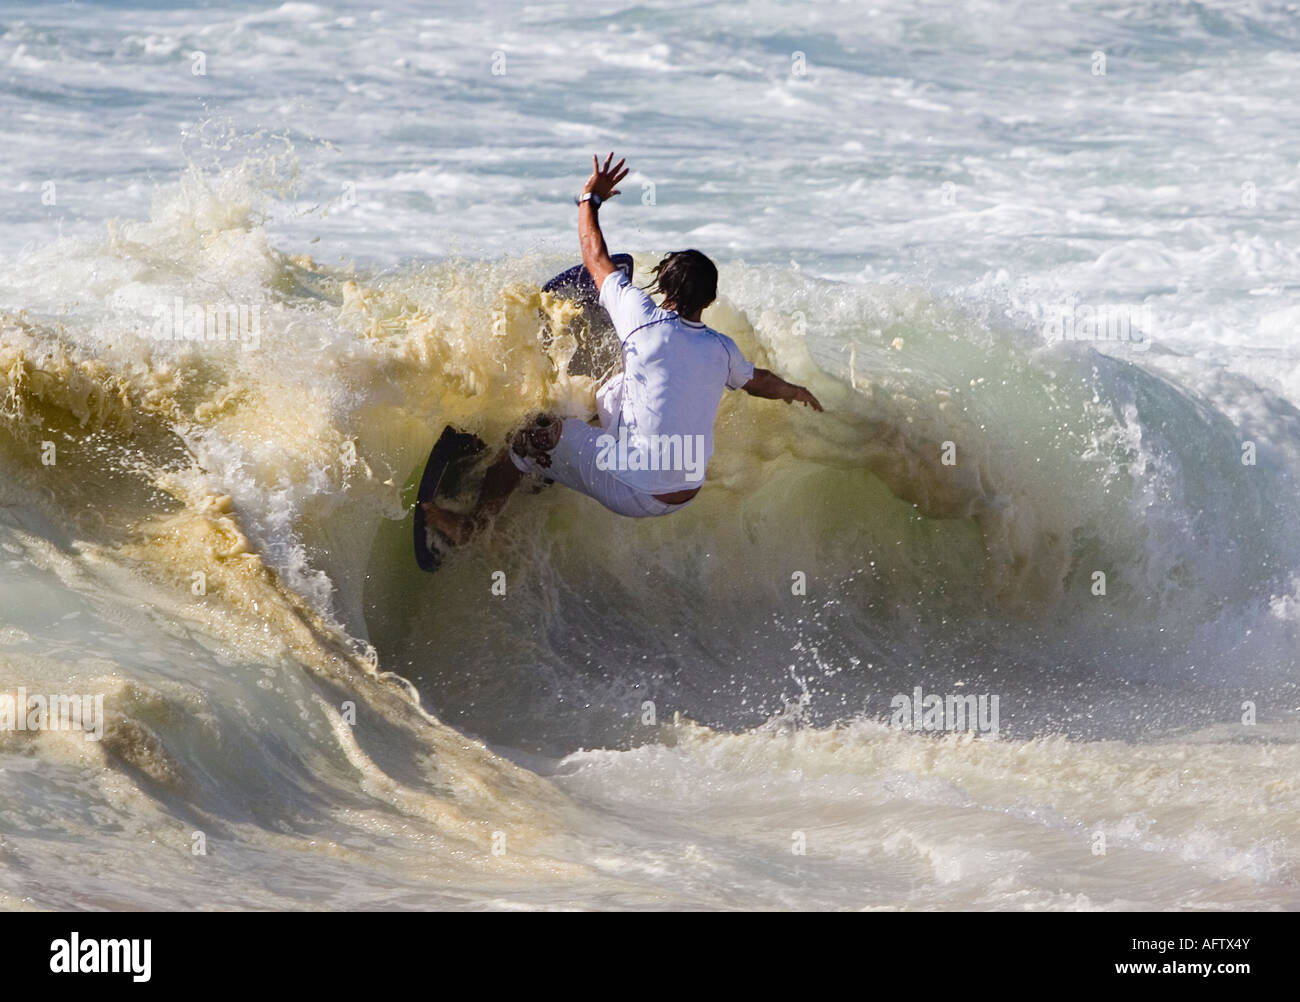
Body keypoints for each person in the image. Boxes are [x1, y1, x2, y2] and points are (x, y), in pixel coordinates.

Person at [423, 152, 823, 545]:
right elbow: (759, 381)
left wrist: (589, 199)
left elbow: (594, 255)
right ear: (709, 300)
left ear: (664, 288)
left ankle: (475, 522)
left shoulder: (643, 316)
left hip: (636, 487)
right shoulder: (722, 349)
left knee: (529, 434)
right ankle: (559, 457)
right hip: (686, 488)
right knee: (612, 388)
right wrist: (796, 391)